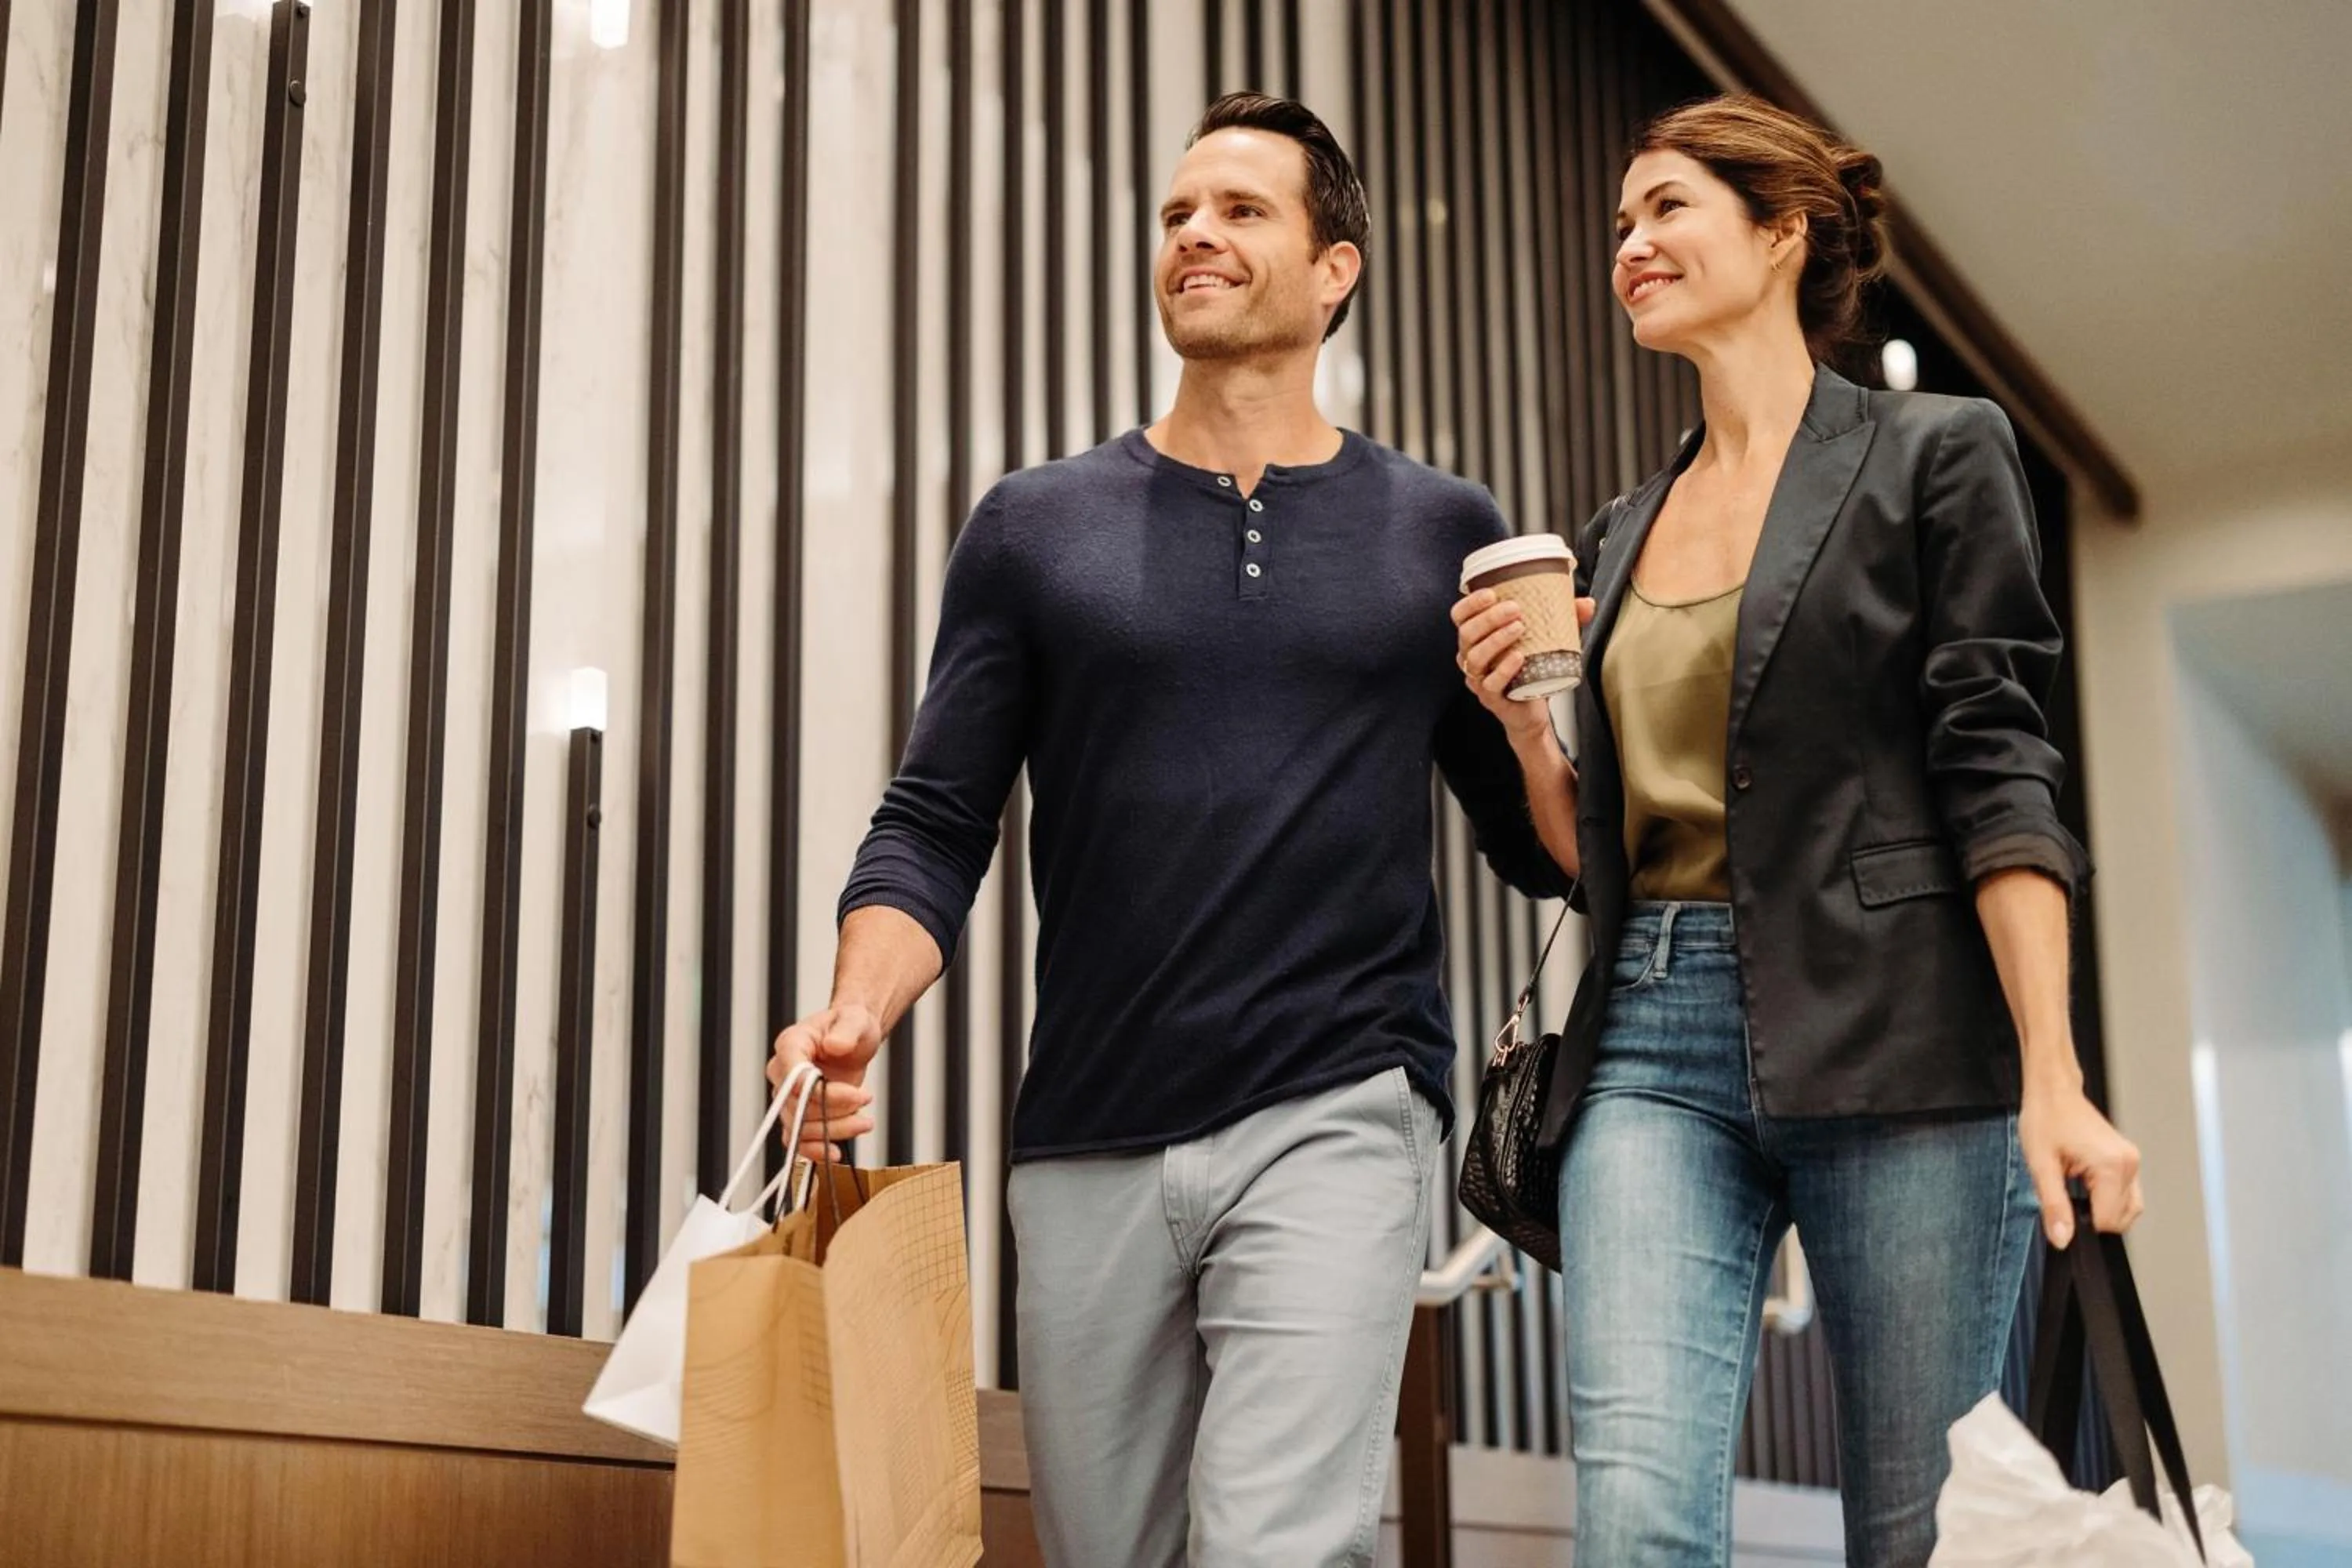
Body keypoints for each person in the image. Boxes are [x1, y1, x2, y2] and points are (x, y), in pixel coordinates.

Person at [769, 93, 1565, 1567]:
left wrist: (1536, 717)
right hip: (1088, 1134)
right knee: (1106, 1550)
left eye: (1242, 211)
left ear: (1337, 270)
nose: (1194, 232)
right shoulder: (1034, 525)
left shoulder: (1439, 527)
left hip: (1343, 1105)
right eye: (1177, 213)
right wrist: (852, 1015)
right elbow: (935, 822)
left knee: (1275, 1546)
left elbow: (1540, 849)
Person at [1453, 93, 2143, 1566]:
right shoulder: (1620, 534)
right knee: (1634, 1512)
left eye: (1666, 209)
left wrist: (2054, 1071)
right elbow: (1608, 855)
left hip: (1904, 1034)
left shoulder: (1936, 453)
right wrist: (1525, 723)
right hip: (1650, 1040)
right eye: (1620, 223)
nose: (1629, 244)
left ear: (1783, 232)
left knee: (1913, 1526)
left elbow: (2000, 769)